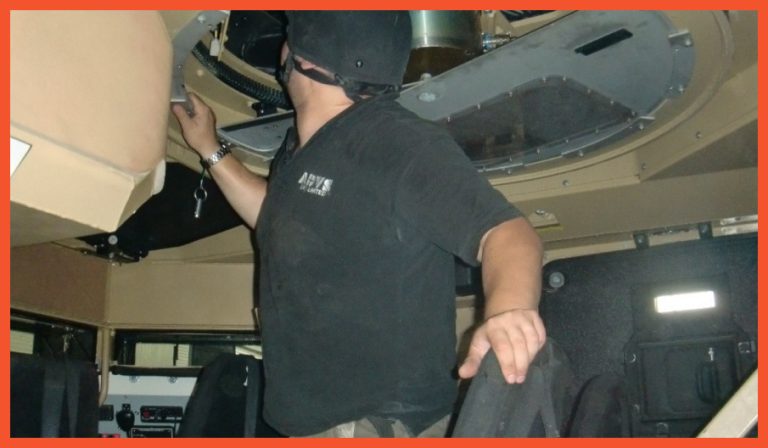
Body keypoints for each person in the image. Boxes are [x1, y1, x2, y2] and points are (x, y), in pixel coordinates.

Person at [172, 11, 546, 438]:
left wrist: (509, 312)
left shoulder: (397, 142)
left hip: (375, 423)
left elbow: (508, 233)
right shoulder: (299, 150)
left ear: (299, 58)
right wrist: (209, 148)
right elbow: (274, 218)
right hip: (312, 422)